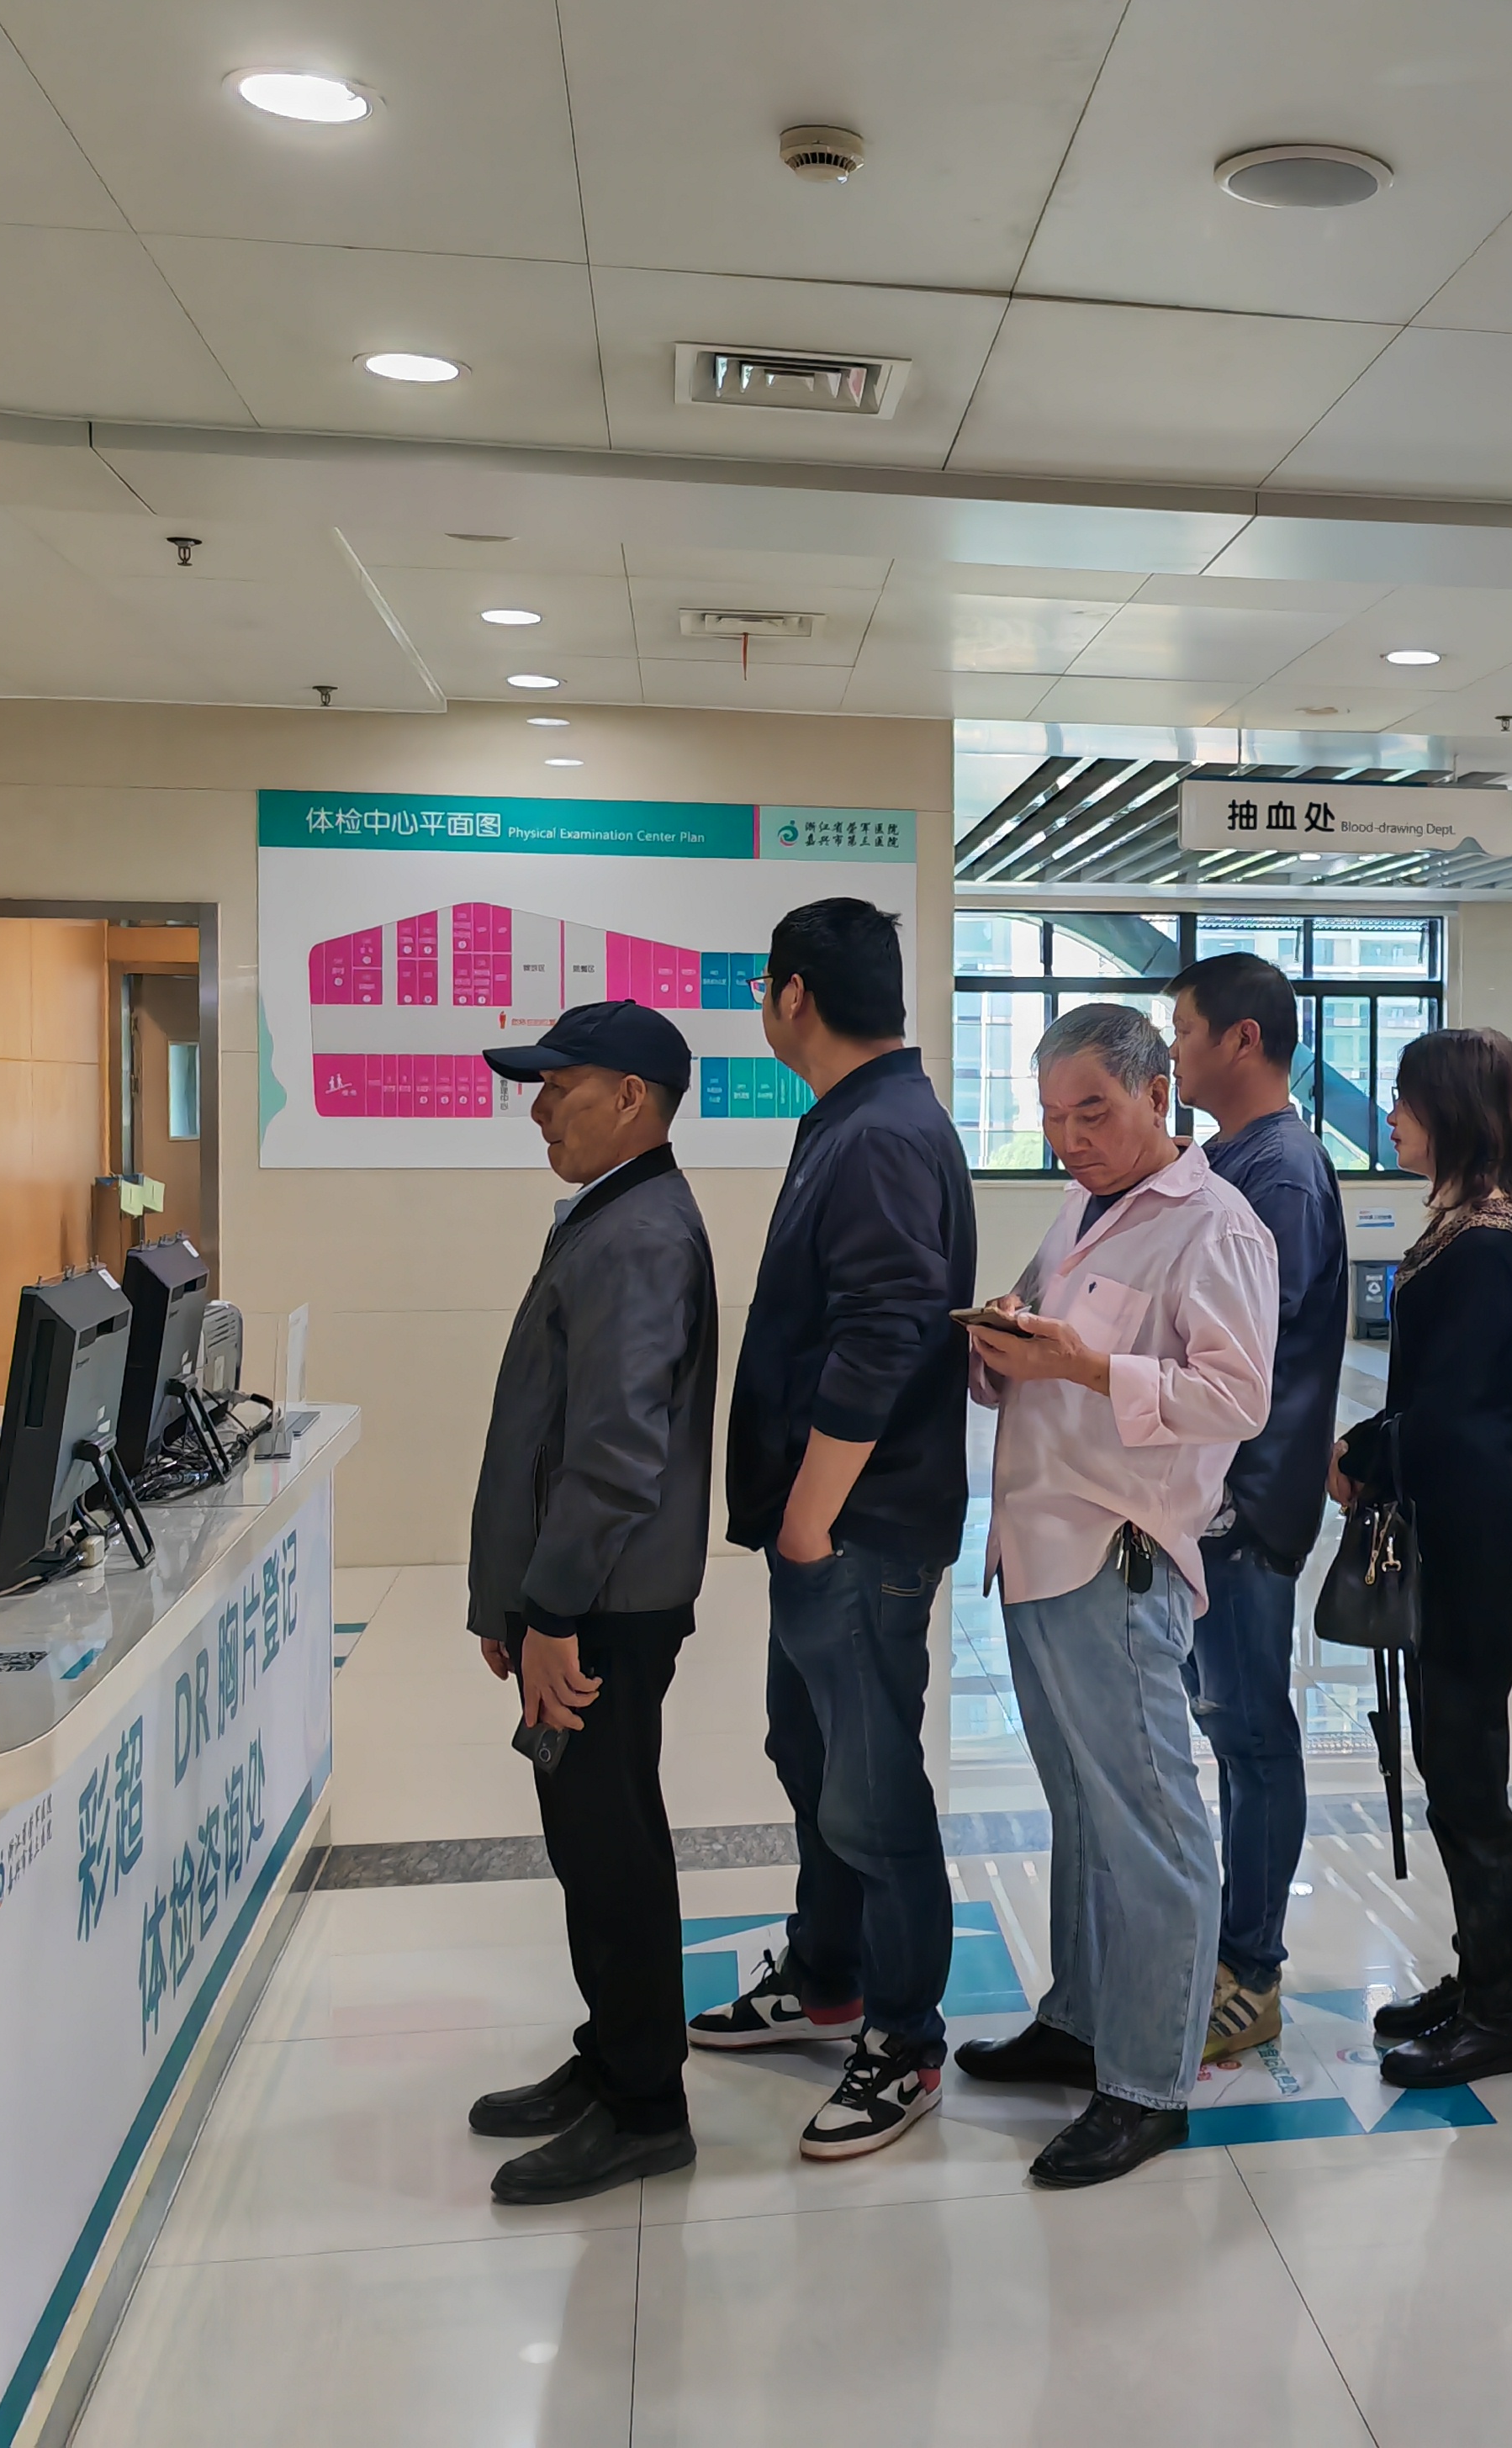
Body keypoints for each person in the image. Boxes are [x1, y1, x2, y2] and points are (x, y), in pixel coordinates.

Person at [954, 1003, 1276, 2187]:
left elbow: (1236, 1397)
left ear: (1156, 1095)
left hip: (1117, 1556)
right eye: (1050, 1117)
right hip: (1039, 1548)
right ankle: (1081, 2019)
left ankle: (1148, 2082)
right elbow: (1050, 1352)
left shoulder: (1215, 1223)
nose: (1070, 1138)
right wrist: (1003, 1351)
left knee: (1149, 1825)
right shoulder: (1084, 1208)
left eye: (1092, 1111)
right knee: (1083, 1811)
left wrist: (1084, 1365)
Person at [695, 900, 976, 2163]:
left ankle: (905, 2036)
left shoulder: (880, 1133)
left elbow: (886, 1329)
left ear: (793, 992)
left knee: (870, 1792)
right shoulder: (858, 1118)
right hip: (829, 1528)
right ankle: (825, 1975)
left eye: (765, 987)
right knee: (808, 1753)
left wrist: (809, 1516)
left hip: (860, 1529)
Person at [459, 1001, 720, 2202]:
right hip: (579, 1596)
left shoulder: (639, 1234)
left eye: (558, 1088)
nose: (537, 1111)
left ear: (630, 1098)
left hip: (604, 1603)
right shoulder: (614, 1215)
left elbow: (615, 1455)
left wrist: (553, 1611)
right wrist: (510, 1600)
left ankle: (646, 2107)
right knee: (588, 1836)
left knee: (609, 1843)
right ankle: (613, 2054)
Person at [1345, 1028, 1512, 2089]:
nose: (1392, 1116)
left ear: (1453, 1110)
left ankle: (1499, 2015)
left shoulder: (1489, 1244)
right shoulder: (1461, 1230)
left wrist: (1362, 1453)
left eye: (1406, 1099)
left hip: (1474, 1547)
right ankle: (1476, 1980)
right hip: (1448, 1536)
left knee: (1469, 1785)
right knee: (1449, 1773)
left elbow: (1461, 1419)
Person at [1166, 950, 1347, 2060]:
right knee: (1225, 1725)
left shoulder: (1276, 1170)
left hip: (1239, 1509)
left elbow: (1245, 1357)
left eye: (1184, 1031)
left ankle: (1254, 1966)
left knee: (1250, 1734)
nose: (1172, 1051)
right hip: (1203, 1505)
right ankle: (1228, 1947)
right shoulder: (1225, 1158)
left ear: (1243, 1038)